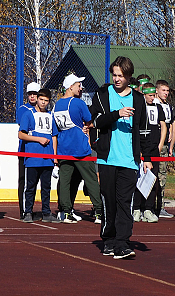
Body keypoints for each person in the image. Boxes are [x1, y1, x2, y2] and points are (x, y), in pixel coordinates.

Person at [90, 56, 147, 259]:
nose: (116, 79)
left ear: (129, 76)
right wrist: (117, 114)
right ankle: (109, 239)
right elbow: (94, 121)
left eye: (120, 75)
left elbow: (144, 130)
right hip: (107, 160)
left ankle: (122, 242)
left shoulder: (139, 99)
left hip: (130, 161)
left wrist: (146, 157)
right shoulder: (102, 94)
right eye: (114, 74)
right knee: (110, 202)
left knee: (125, 202)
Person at [52, 73, 102, 224]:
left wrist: (55, 156)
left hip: (63, 149)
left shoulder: (56, 105)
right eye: (79, 85)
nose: (81, 88)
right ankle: (99, 212)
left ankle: (66, 211)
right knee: (91, 179)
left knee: (65, 181)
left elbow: (55, 132)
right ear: (70, 86)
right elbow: (89, 121)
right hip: (80, 148)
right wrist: (87, 127)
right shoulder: (78, 103)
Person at [18, 88, 59, 223]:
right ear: (37, 99)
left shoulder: (51, 115)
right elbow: (21, 134)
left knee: (46, 187)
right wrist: (38, 139)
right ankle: (28, 211)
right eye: (41, 99)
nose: (43, 102)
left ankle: (46, 212)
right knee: (30, 186)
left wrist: (54, 157)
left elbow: (54, 136)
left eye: (46, 101)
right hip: (32, 158)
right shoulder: (28, 114)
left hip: (47, 159)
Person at [132, 82, 166, 223]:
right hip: (140, 149)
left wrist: (160, 145)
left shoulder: (158, 108)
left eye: (153, 95)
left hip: (153, 149)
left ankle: (148, 209)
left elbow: (163, 126)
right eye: (149, 95)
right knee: (138, 179)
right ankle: (136, 209)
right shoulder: (139, 107)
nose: (152, 98)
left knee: (152, 179)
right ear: (143, 95)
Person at [154, 79, 175, 219]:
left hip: (163, 147)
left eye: (168, 91)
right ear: (157, 90)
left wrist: (171, 146)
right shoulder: (152, 105)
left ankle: (160, 206)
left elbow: (173, 128)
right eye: (163, 90)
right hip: (152, 145)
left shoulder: (169, 107)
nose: (166, 93)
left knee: (162, 176)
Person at [16, 82, 40, 217]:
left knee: (36, 181)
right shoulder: (23, 109)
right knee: (23, 180)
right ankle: (23, 210)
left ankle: (32, 208)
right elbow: (25, 127)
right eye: (30, 94)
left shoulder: (44, 111)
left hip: (39, 151)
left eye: (35, 94)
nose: (32, 97)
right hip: (24, 150)